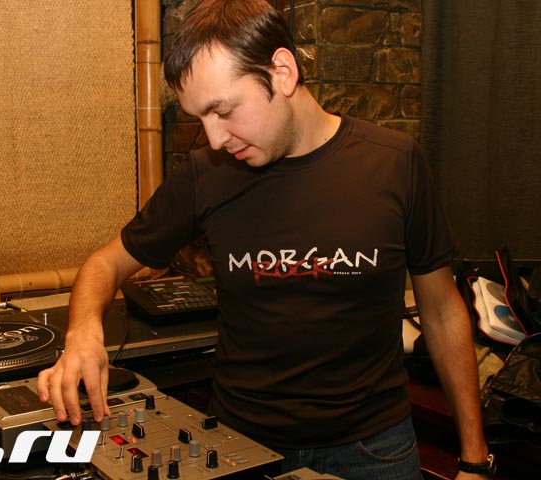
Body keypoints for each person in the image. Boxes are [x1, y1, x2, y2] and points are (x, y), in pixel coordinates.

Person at [38, 1, 492, 478]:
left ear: (282, 72)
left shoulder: (395, 162)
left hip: (374, 450)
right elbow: (105, 263)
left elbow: (442, 312)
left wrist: (475, 459)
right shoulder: (206, 175)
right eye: (200, 118)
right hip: (241, 444)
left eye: (223, 111)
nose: (215, 139)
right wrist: (82, 333)